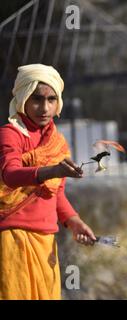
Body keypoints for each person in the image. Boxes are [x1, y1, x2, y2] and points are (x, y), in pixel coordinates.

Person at [0, 64, 96, 300]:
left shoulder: (57, 143)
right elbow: (9, 174)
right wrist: (51, 170)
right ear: (22, 98)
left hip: (46, 242)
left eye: (51, 99)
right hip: (14, 238)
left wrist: (74, 221)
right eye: (36, 99)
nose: (44, 108)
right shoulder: (10, 134)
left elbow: (56, 193)